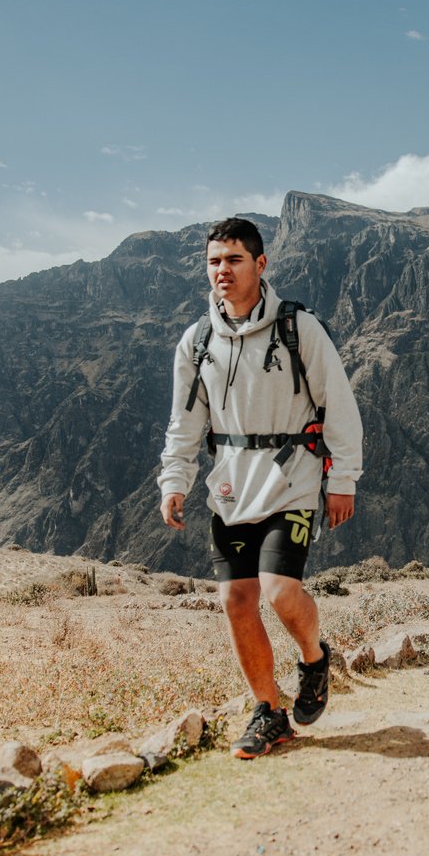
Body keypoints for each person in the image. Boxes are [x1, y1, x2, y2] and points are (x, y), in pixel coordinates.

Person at [158, 217, 364, 759]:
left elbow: (339, 406)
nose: (221, 271)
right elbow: (185, 421)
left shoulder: (299, 328)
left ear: (260, 264)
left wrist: (342, 480)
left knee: (278, 589)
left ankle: (314, 658)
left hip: (291, 476)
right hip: (229, 486)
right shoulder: (197, 341)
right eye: (213, 262)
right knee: (235, 600)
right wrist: (174, 480)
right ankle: (268, 713)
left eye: (233, 260)